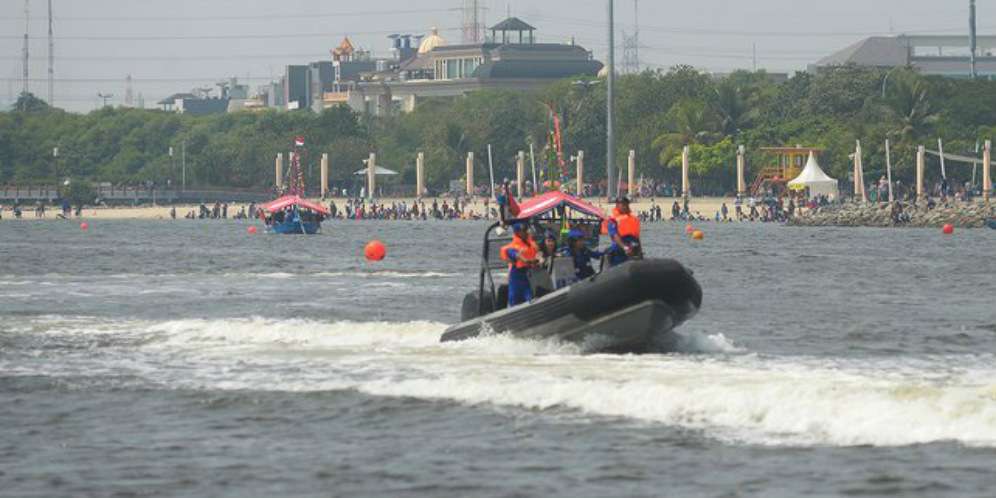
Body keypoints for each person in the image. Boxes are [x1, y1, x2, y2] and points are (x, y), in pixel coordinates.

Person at [500, 223, 540, 307]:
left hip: (529, 275)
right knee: (515, 298)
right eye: (524, 230)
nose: (527, 232)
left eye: (527, 230)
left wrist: (539, 258)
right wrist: (526, 260)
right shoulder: (512, 247)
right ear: (518, 232)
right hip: (517, 276)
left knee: (530, 296)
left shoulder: (531, 243)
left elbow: (539, 252)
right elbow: (516, 254)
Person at [607, 196, 642, 266]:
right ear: (617, 205)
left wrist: (640, 251)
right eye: (622, 205)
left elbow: (637, 236)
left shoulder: (634, 219)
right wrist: (625, 247)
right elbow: (615, 235)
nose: (625, 207)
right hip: (620, 247)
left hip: (633, 247)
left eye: (626, 204)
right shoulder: (613, 220)